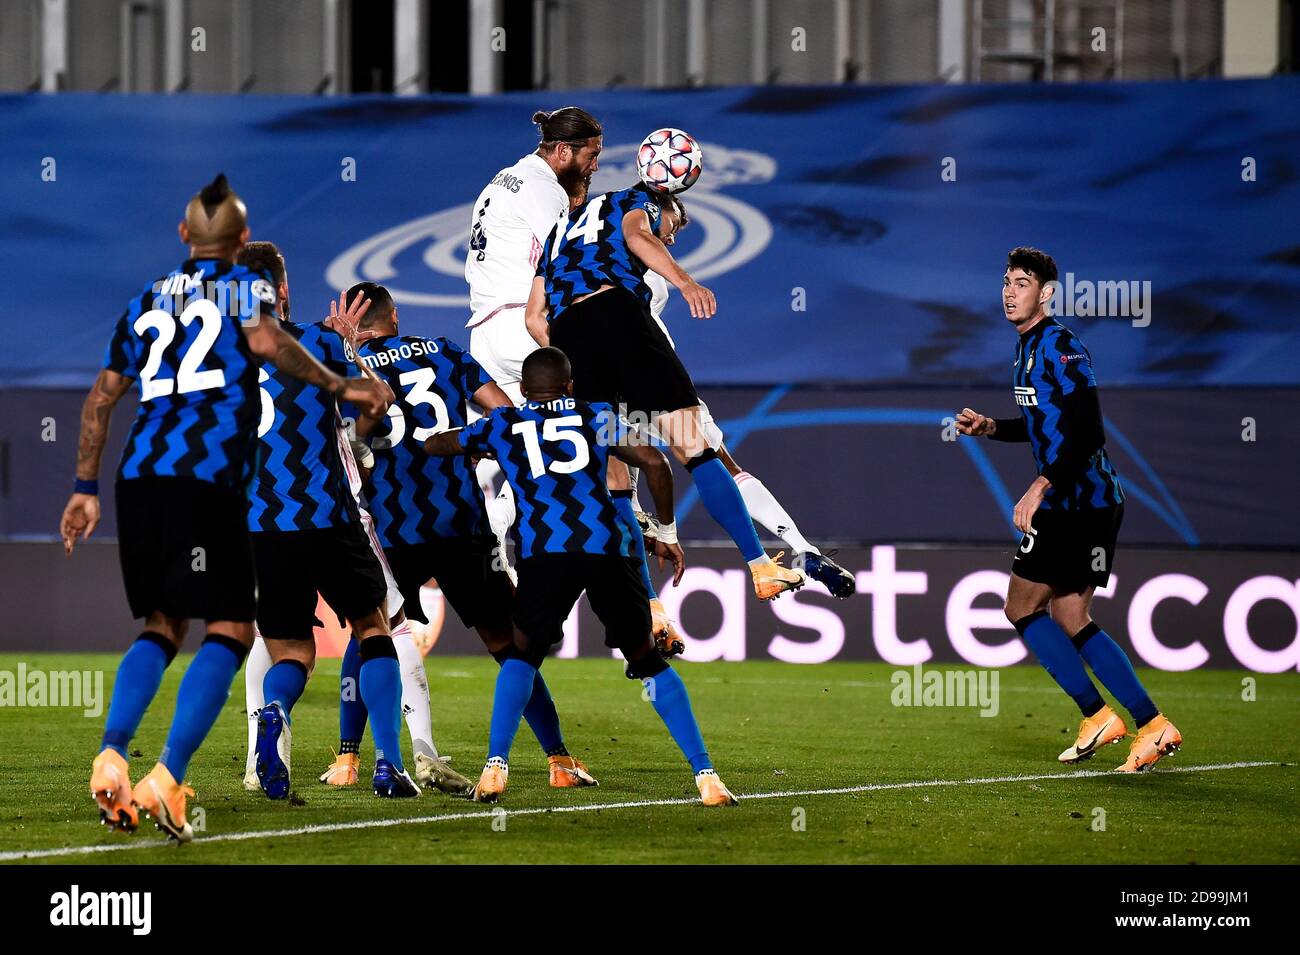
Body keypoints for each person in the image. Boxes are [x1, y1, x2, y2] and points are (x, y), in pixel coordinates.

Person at [62, 175, 391, 841]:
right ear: (240, 243)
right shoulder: (245, 293)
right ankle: (167, 778)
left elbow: (99, 399)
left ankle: (111, 753)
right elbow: (272, 345)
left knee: (161, 623)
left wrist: (84, 489)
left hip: (139, 476)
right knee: (235, 630)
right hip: (212, 480)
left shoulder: (146, 298)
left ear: (183, 235)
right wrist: (340, 380)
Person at [426, 347, 733, 806]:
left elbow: (439, 445)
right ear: (569, 386)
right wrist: (665, 531)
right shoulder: (598, 415)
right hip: (605, 547)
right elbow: (655, 463)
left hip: (545, 552)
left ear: (524, 391)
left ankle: (495, 767)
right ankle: (706, 776)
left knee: (523, 656)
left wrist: (457, 439)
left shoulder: (501, 425)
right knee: (647, 660)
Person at [526, 170, 806, 602]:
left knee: (614, 475)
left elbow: (532, 318)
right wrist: (685, 282)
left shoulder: (556, 234)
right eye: (673, 228)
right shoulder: (635, 199)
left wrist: (568, 362)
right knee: (694, 446)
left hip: (567, 336)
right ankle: (760, 565)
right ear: (667, 204)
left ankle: (650, 607)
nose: (670, 238)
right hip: (618, 312)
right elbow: (639, 237)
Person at [956, 247, 1181, 773]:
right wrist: (993, 427)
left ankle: (1097, 715)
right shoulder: (1026, 347)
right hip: (1089, 502)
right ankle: (1151, 725)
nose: (1010, 291)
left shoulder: (1060, 346)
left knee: (1020, 607)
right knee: (1070, 613)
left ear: (1047, 293)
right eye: (1007, 282)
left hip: (1077, 501)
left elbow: (1088, 432)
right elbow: (1043, 426)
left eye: (1022, 282)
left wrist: (1039, 487)